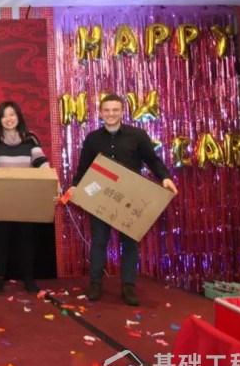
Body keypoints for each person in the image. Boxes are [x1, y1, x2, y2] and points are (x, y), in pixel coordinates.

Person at [68, 93, 178, 306]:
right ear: (100, 113)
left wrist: (165, 177)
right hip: (101, 198)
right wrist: (75, 186)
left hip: (130, 200)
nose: (111, 114)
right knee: (99, 241)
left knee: (129, 243)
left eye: (115, 110)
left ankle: (128, 286)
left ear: (122, 112)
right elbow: (83, 168)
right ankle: (95, 284)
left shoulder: (137, 136)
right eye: (106, 110)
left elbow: (152, 160)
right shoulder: (92, 139)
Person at [0, 101, 52, 294]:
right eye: (4, 115)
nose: (9, 119)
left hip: (26, 197)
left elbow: (41, 162)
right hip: (1, 198)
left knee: (26, 239)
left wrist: (53, 182)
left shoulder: (30, 138)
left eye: (12, 114)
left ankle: (29, 278)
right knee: (1, 239)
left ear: (19, 117)